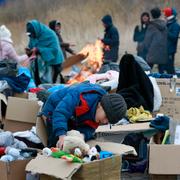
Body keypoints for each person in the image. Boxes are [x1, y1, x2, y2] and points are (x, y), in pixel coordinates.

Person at [40, 82, 127, 148]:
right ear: (100, 105)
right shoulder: (80, 96)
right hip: (54, 108)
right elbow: (61, 112)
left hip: (74, 117)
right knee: (56, 142)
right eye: (106, 117)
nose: (105, 121)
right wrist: (61, 135)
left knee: (73, 140)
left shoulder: (98, 113)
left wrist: (83, 135)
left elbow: (89, 129)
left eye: (108, 121)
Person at [26, 20, 64, 85]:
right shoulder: (33, 35)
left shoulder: (50, 34)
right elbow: (31, 45)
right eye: (31, 35)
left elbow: (54, 50)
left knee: (52, 84)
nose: (32, 36)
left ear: (36, 30)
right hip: (40, 63)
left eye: (33, 34)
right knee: (38, 83)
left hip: (53, 62)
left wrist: (39, 50)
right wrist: (29, 51)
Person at [139, 7, 168, 73]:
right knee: (161, 72)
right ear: (160, 14)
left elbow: (147, 41)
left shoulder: (151, 26)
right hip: (163, 52)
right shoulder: (165, 25)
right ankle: (162, 83)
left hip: (152, 52)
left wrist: (147, 49)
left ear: (151, 15)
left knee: (147, 71)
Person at [163, 7, 180, 74]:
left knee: (170, 68)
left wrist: (165, 31)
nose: (164, 15)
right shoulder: (167, 24)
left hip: (170, 50)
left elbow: (174, 37)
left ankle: (175, 81)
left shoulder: (176, 25)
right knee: (164, 68)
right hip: (165, 50)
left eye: (166, 14)